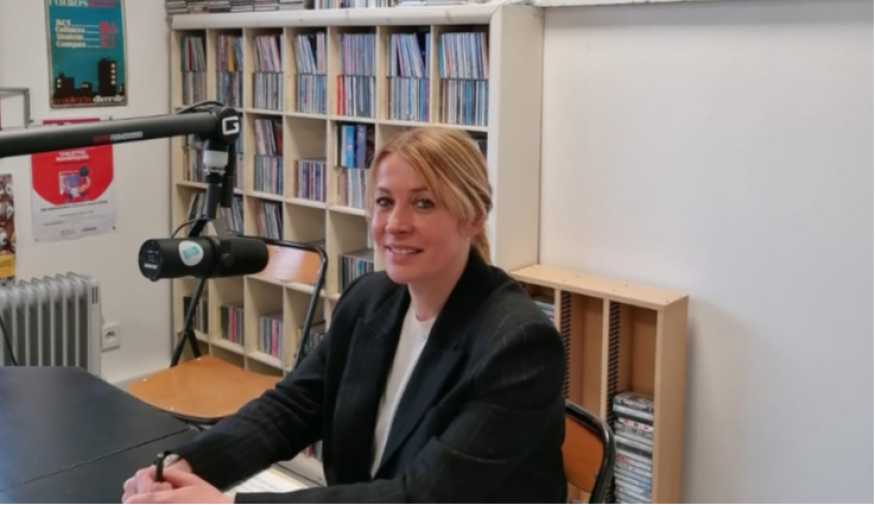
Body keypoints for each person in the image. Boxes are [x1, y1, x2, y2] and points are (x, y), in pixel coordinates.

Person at [122, 127, 567, 504]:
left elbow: (423, 496)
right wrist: (184, 467)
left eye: (424, 203)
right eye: (384, 202)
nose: (395, 223)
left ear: (473, 217)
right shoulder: (370, 300)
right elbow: (291, 407)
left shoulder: (518, 344)